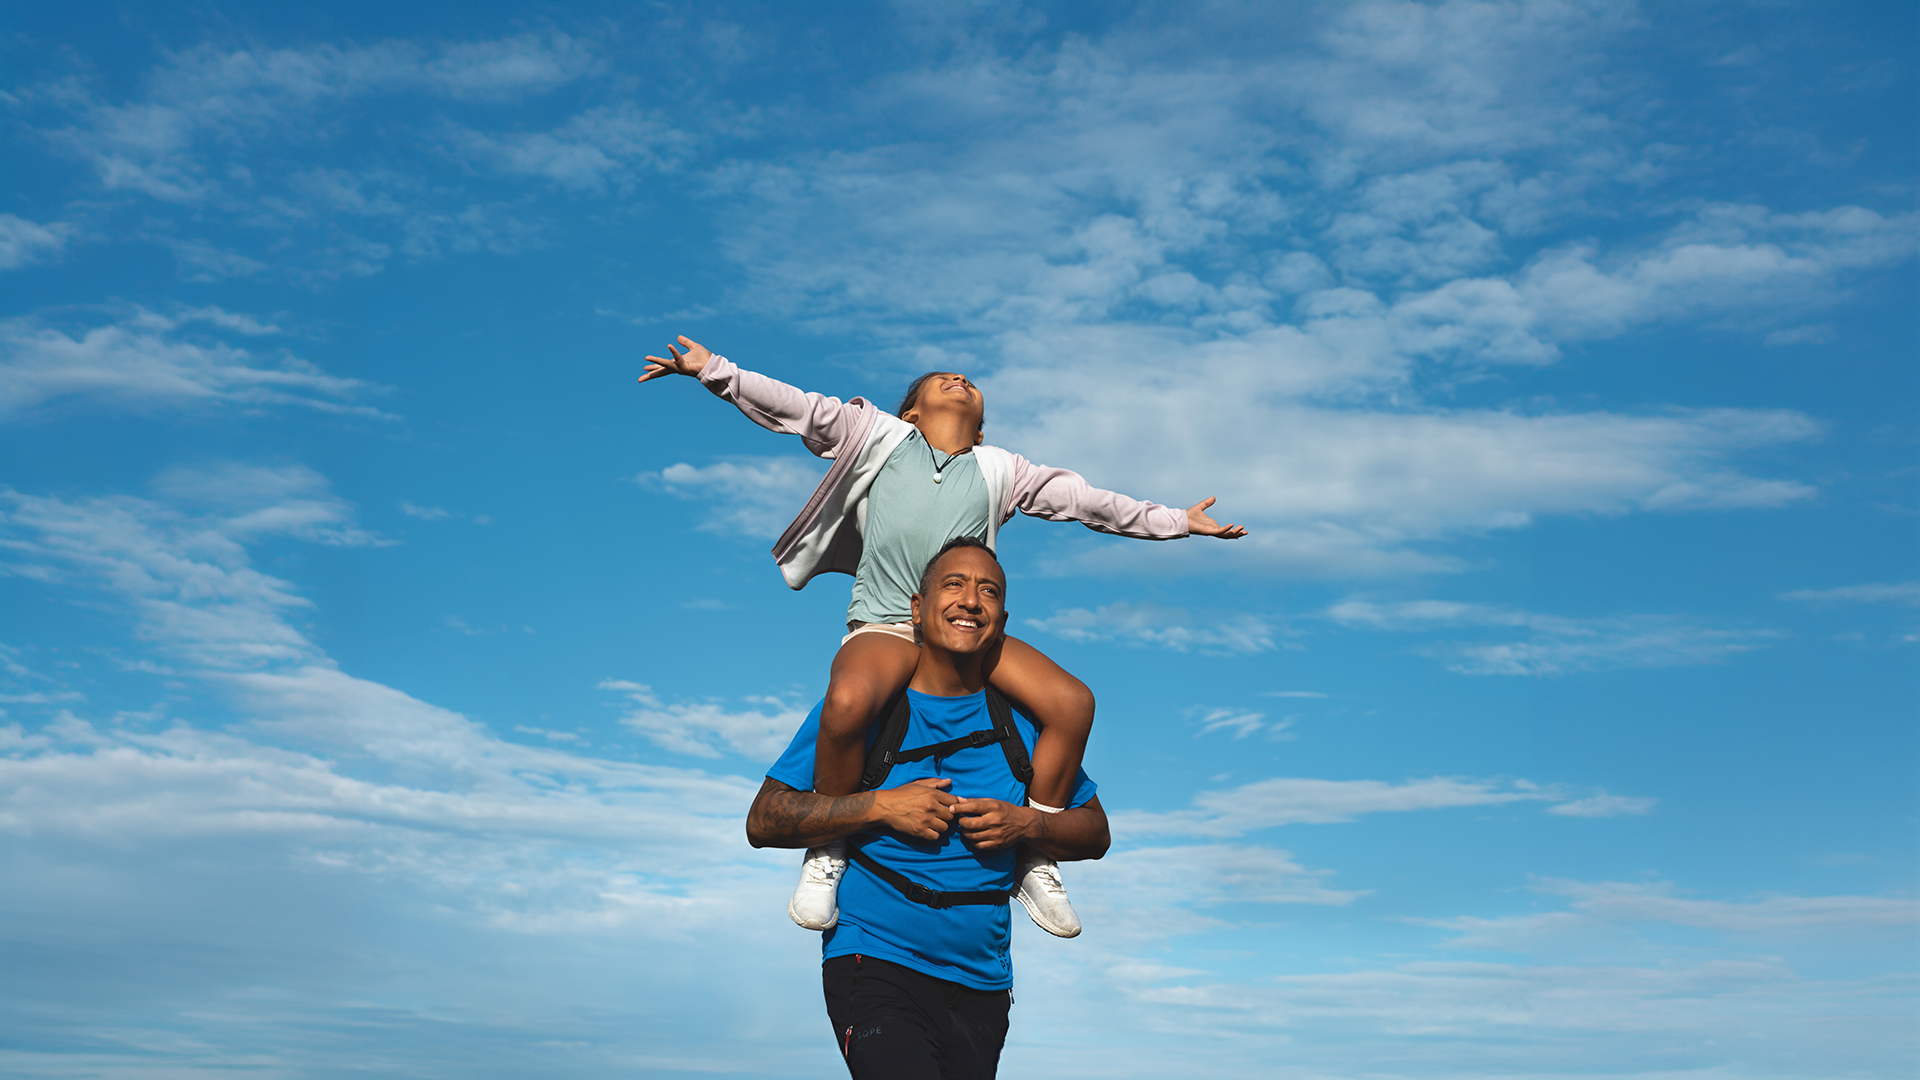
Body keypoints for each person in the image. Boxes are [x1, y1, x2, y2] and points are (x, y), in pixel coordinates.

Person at [640, 336, 1243, 936]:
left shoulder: (1002, 470)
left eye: (969, 382)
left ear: (980, 428)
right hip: (888, 623)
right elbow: (795, 407)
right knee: (848, 702)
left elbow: (1087, 502)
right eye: (941, 379)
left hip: (967, 632)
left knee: (1072, 703)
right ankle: (829, 845)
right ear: (911, 412)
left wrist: (1176, 522)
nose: (958, 381)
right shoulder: (873, 435)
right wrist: (713, 371)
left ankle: (1035, 852)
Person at [746, 538, 1110, 1079]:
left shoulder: (1022, 725)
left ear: (1001, 620)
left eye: (988, 591)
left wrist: (1029, 824)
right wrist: (878, 807)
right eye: (953, 585)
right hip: (874, 961)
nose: (970, 600)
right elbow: (765, 818)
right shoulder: (870, 708)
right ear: (917, 610)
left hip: (984, 983)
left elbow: (1095, 832)